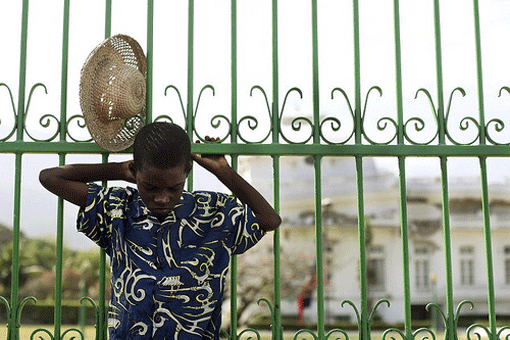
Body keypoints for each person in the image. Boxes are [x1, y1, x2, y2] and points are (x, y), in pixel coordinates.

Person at [39, 122, 281, 339]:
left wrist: (222, 170)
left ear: (187, 172)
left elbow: (269, 219)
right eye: (151, 187)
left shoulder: (215, 212)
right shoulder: (117, 208)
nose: (162, 198)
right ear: (134, 174)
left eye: (174, 188)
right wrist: (119, 170)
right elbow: (50, 177)